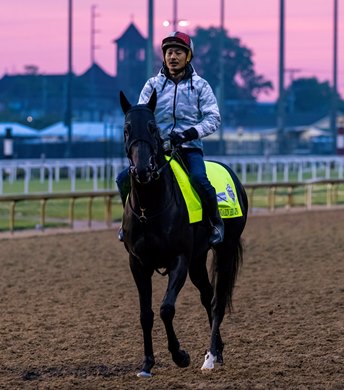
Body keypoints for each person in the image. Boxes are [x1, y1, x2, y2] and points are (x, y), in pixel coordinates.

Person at [116, 31, 224, 246]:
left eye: (178, 52)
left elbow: (214, 118)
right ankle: (128, 223)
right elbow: (141, 116)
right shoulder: (152, 85)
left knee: (199, 179)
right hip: (158, 150)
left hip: (189, 147)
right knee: (123, 179)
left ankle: (215, 223)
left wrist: (189, 134)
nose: (173, 57)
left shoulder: (200, 86)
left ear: (188, 56)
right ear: (164, 56)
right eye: (169, 52)